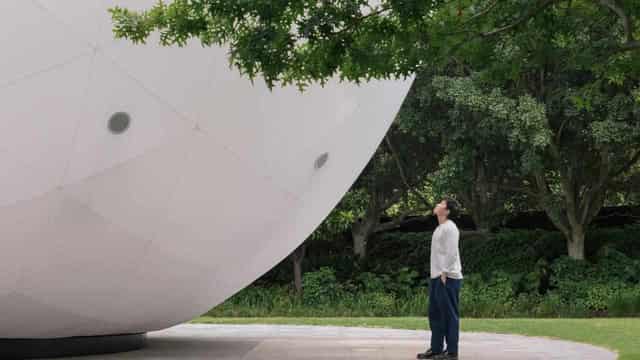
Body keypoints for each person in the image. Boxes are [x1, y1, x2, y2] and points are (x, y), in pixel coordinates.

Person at [417, 198, 463, 360]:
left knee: (449, 315)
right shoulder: (440, 228)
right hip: (437, 276)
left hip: (448, 277)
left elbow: (452, 252)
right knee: (435, 314)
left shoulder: (450, 228)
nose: (437, 205)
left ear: (447, 211)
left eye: (441, 204)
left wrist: (444, 272)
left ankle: (452, 352)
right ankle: (436, 349)